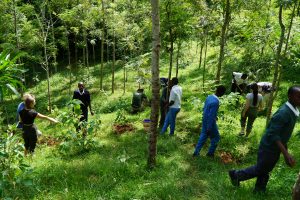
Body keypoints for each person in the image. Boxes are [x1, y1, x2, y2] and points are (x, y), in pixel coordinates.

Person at [229, 86, 300, 193]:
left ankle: (259, 189)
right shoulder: (284, 113)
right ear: (290, 96)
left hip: (275, 146)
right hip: (269, 146)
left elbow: (282, 134)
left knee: (266, 167)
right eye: (298, 97)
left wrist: (285, 150)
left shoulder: (293, 110)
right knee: (261, 168)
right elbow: (273, 134)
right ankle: (236, 175)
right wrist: (286, 154)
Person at [193, 85, 226, 157]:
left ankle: (196, 152)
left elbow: (205, 109)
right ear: (222, 93)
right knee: (216, 137)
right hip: (210, 122)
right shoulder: (216, 102)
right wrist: (209, 126)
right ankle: (210, 153)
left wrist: (214, 116)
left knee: (203, 135)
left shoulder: (209, 97)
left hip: (204, 119)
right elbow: (211, 115)